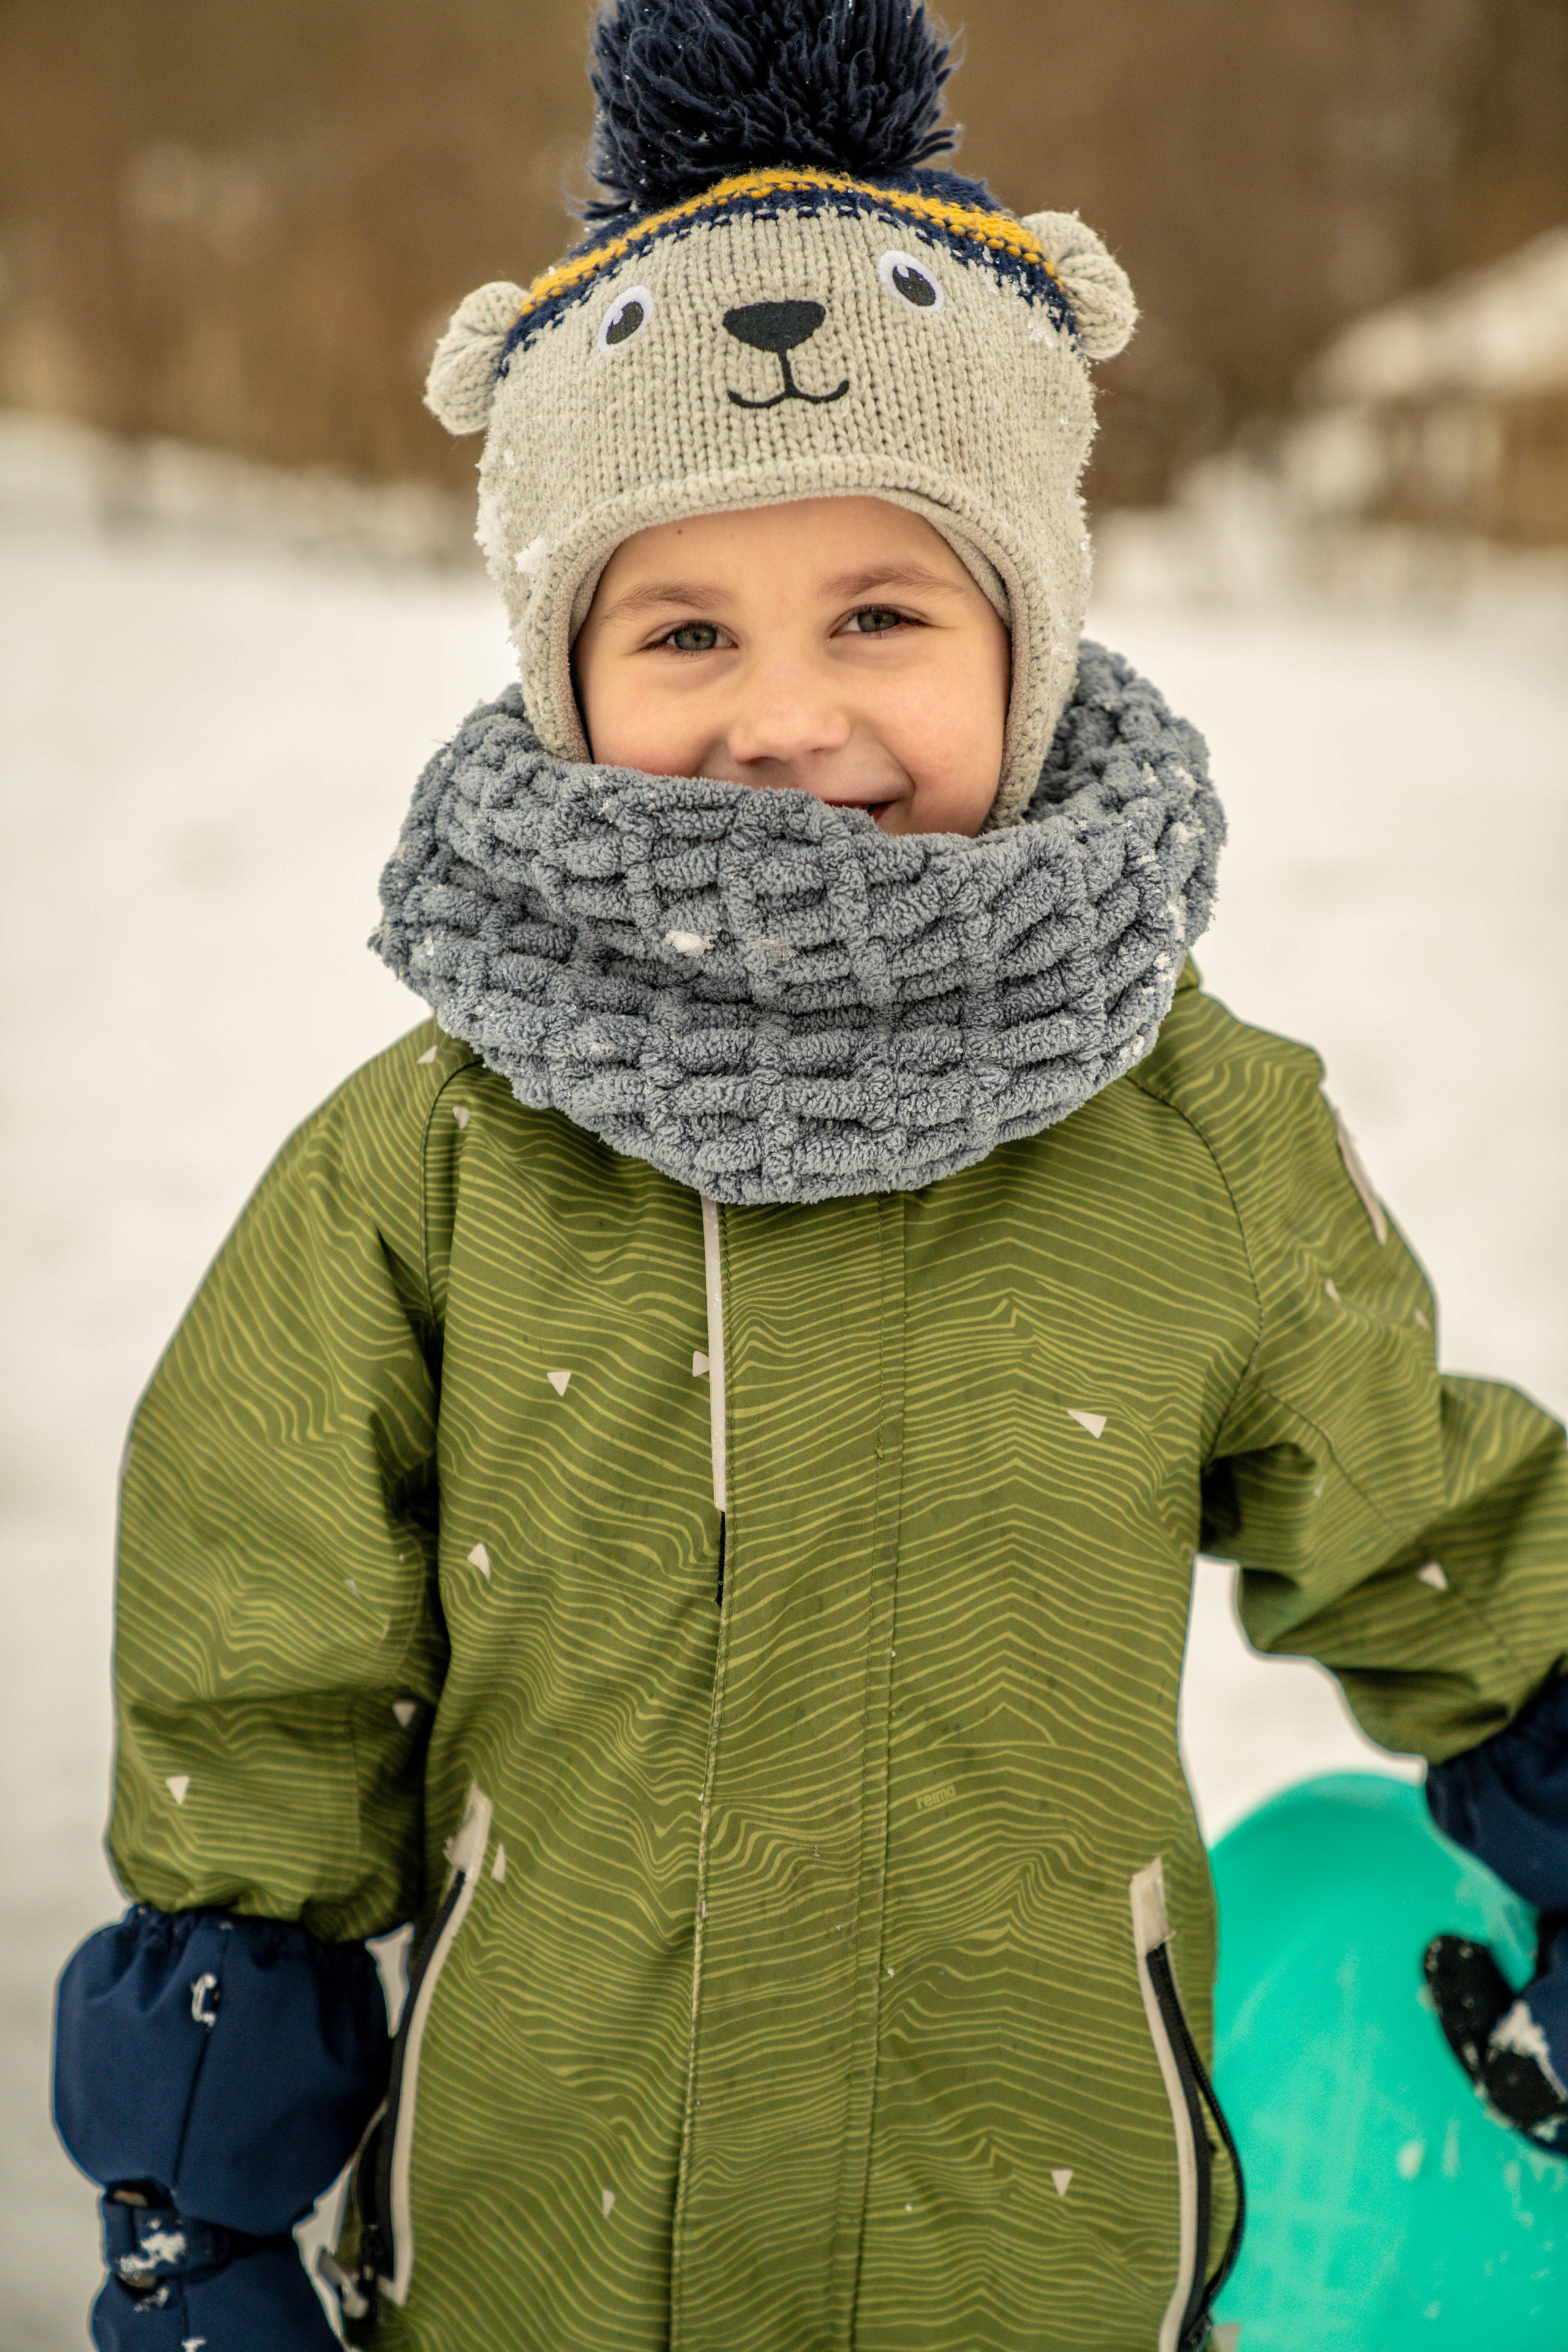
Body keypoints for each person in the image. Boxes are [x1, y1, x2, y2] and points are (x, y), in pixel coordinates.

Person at [50, 1, 1568, 2346]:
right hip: (539, 2230)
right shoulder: (436, 1160)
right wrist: (205, 2182)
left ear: (1025, 644)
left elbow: (1422, 1519)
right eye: (684, 629)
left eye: (883, 611)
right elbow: (260, 1675)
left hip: (1044, 2228)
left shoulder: (1196, 1134)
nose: (786, 717)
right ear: (569, 676)